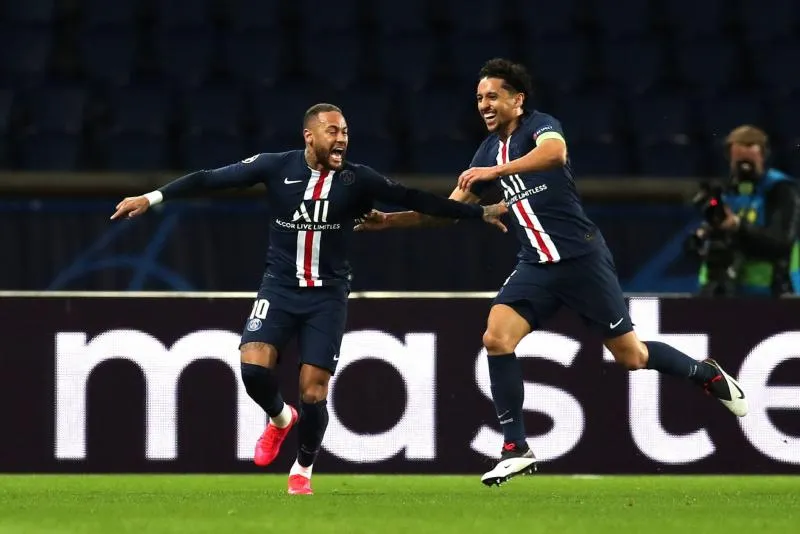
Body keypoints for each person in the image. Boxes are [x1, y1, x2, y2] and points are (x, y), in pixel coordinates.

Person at [356, 58, 748, 487]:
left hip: (582, 259)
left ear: (517, 100)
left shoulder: (540, 127)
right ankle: (516, 447)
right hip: (536, 265)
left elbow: (554, 153)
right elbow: (449, 210)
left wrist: (496, 172)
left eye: (493, 96)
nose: (484, 105)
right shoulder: (486, 152)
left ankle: (706, 374)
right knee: (496, 337)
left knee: (631, 357)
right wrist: (389, 221)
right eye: (479, 98)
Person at [110, 103, 508, 495]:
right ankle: (281, 419)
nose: (342, 139)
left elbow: (415, 199)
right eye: (333, 131)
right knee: (253, 371)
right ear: (309, 136)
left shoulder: (357, 179)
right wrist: (153, 197)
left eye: (345, 132)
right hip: (279, 287)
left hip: (327, 296)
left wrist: (479, 213)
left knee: (314, 392)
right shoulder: (276, 167)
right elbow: (209, 179)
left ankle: (302, 468)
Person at [690, 125, 800, 297]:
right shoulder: (723, 192)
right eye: (740, 162)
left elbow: (781, 241)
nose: (745, 169)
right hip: (722, 290)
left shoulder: (782, 190)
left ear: (763, 156)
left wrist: (737, 225)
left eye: (750, 163)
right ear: (730, 158)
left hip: (771, 292)